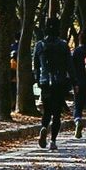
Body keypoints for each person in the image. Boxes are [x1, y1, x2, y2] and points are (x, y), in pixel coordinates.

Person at [34, 17, 71, 150]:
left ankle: (43, 127)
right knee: (57, 113)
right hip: (59, 82)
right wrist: (73, 81)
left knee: (47, 110)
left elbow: (36, 65)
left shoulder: (40, 45)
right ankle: (53, 141)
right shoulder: (63, 45)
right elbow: (69, 65)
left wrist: (38, 80)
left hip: (45, 82)